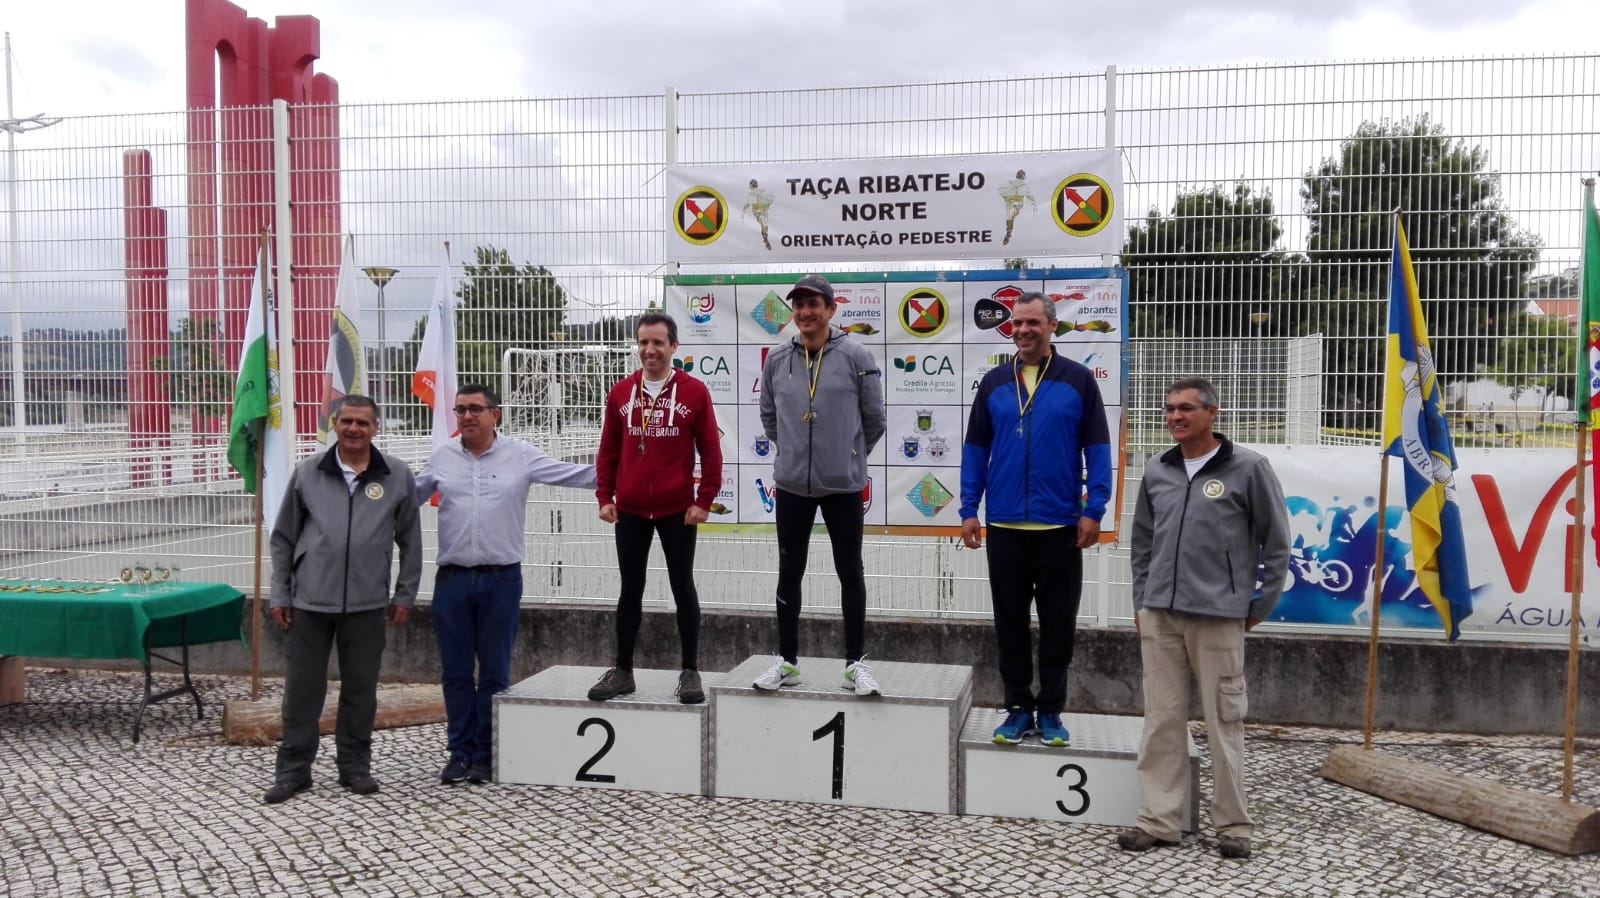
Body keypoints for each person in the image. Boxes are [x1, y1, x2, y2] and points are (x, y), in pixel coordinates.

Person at [1117, 377, 1290, 860]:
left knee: (1224, 721)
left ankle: (1233, 825)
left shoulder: (1249, 468)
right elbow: (1143, 544)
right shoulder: (1158, 469)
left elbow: (1276, 544)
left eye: (1186, 409)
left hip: (1219, 617)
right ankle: (1160, 819)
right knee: (1162, 720)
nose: (1175, 416)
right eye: (1170, 409)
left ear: (1212, 414)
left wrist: (1256, 607)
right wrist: (1142, 602)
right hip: (1161, 617)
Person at [416, 384, 596, 786]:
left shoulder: (521, 455)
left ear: (495, 414)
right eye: (460, 409)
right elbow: (407, 496)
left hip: (501, 580)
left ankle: (487, 753)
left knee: (496, 672)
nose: (467, 416)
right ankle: (459, 752)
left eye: (476, 409)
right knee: (456, 673)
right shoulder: (442, 457)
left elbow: (576, 474)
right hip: (453, 582)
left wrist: (630, 469)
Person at [959, 291, 1111, 747]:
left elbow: (1098, 451)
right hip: (1005, 526)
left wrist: (1094, 509)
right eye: (1016, 324)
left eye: (1032, 323)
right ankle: (1018, 707)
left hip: (1060, 527)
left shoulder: (1079, 380)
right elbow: (975, 451)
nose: (1023, 330)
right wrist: (969, 508)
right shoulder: (993, 382)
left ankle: (1051, 712)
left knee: (1058, 624)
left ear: (1052, 327)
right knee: (1009, 624)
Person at [263, 395, 422, 804]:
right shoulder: (308, 474)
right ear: (334, 424)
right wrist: (280, 593)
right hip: (310, 603)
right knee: (302, 690)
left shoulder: (396, 476)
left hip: (368, 605)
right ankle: (294, 770)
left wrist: (405, 593)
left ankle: (354, 766)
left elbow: (411, 542)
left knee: (361, 689)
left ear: (376, 428)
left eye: (363, 423)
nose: (354, 429)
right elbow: (283, 539)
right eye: (347, 421)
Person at [754, 274, 886, 695]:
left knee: (850, 571)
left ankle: (855, 664)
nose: (805, 312)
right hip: (792, 484)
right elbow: (769, 417)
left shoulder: (856, 354)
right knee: (789, 571)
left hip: (843, 486)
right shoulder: (777, 359)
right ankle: (787, 662)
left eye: (814, 304)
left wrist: (846, 454)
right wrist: (795, 452)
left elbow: (874, 421)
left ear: (831, 310)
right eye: (799, 305)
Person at [588, 313, 723, 705]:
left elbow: (711, 452)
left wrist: (703, 500)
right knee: (631, 590)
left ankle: (690, 671)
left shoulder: (694, 392)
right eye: (643, 342)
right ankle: (623, 671)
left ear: (674, 347)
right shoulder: (620, 393)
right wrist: (604, 497)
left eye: (658, 343)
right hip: (629, 509)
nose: (650, 350)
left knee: (683, 587)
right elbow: (608, 450)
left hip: (677, 509)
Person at [997, 169, 1036, 246]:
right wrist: (1033, 201)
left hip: (1013, 204)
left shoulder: (1012, 183)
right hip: (1014, 204)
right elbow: (1028, 195)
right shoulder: (1020, 184)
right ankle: (1009, 231)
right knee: (1010, 216)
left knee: (1010, 216)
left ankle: (1009, 231)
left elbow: (1000, 190)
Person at [742, 178, 775, 250]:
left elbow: (748, 203)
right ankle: (765, 237)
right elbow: (771, 198)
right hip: (762, 211)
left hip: (758, 211)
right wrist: (767, 204)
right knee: (763, 223)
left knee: (763, 223)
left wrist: (744, 209)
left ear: (751, 185)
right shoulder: (762, 191)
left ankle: (765, 237)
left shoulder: (754, 192)